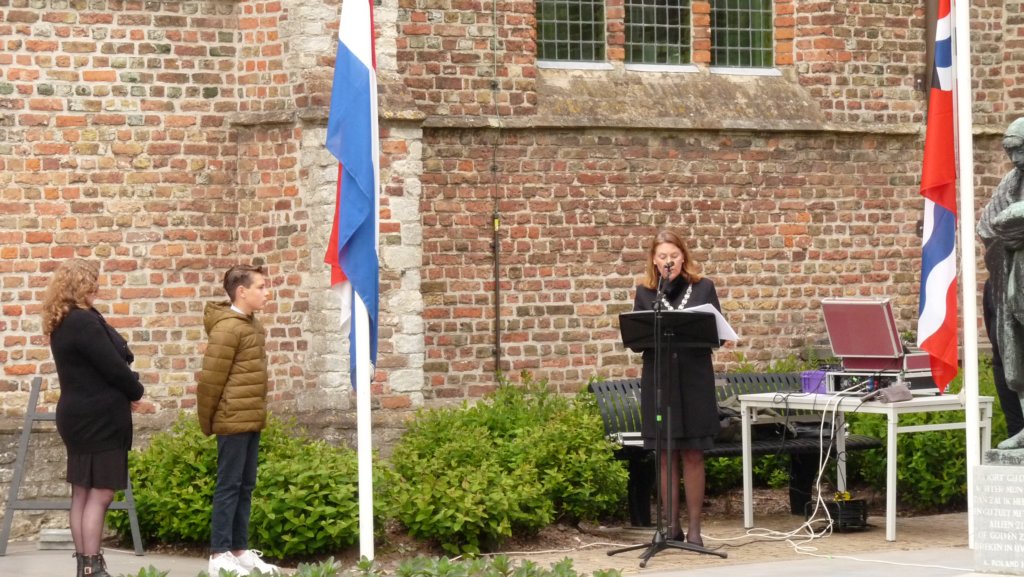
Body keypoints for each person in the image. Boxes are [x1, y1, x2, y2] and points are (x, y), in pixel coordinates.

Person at [42, 259, 144, 577]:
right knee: (101, 493)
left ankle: (85, 568)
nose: (97, 289)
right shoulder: (83, 322)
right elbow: (112, 366)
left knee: (83, 492)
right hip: (97, 418)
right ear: (80, 287)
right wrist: (136, 392)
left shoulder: (62, 320)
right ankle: (92, 567)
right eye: (93, 284)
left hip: (77, 415)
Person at [633, 230, 723, 545]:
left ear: (683, 255)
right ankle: (670, 527)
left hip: (694, 378)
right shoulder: (646, 293)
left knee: (693, 453)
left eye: (673, 254)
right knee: (665, 454)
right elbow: (638, 339)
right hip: (661, 380)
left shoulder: (703, 288)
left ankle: (695, 530)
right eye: (661, 256)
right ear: (654, 261)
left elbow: (718, 335)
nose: (668, 260)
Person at [197, 264, 280, 576]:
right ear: (241, 291)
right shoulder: (227, 329)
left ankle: (239, 550)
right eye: (260, 287)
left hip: (250, 419)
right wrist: (209, 422)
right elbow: (210, 382)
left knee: (246, 485)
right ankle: (219, 554)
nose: (266, 292)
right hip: (232, 420)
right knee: (229, 485)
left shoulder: (251, 326)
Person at [978, 117, 1024, 449]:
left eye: (1019, 149)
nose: (1015, 158)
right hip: (1009, 282)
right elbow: (987, 226)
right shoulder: (1009, 183)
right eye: (1010, 151)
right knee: (1012, 356)